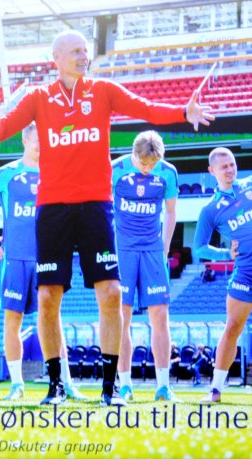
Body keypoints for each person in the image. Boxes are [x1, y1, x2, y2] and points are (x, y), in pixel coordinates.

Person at [0, 29, 214, 406]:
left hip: (97, 207)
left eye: (86, 50)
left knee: (112, 293)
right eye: (77, 51)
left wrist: (183, 113)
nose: (85, 56)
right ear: (57, 58)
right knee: (48, 296)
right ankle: (55, 386)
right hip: (52, 210)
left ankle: (110, 387)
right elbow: (2, 131)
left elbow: (144, 108)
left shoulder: (103, 91)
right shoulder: (37, 97)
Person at [0, 122, 87, 402]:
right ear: (25, 140)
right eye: (37, 142)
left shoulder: (57, 173)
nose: (42, 147)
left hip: (48, 258)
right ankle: (17, 384)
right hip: (15, 260)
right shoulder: (8, 174)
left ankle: (66, 383)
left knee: (54, 321)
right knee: (13, 321)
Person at [194, 147, 252, 405]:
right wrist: (226, 253)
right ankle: (215, 389)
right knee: (233, 327)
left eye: (232, 164)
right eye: (223, 166)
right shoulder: (210, 210)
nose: (230, 169)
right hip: (245, 272)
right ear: (211, 171)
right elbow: (199, 247)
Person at [111, 130, 179, 403]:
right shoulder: (114, 170)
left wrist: (163, 249)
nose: (148, 169)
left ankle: (163, 386)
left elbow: (172, 212)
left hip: (152, 251)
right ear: (133, 155)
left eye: (152, 165)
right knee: (121, 320)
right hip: (123, 251)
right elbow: (103, 208)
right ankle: (125, 385)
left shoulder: (168, 173)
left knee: (160, 317)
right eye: (143, 164)